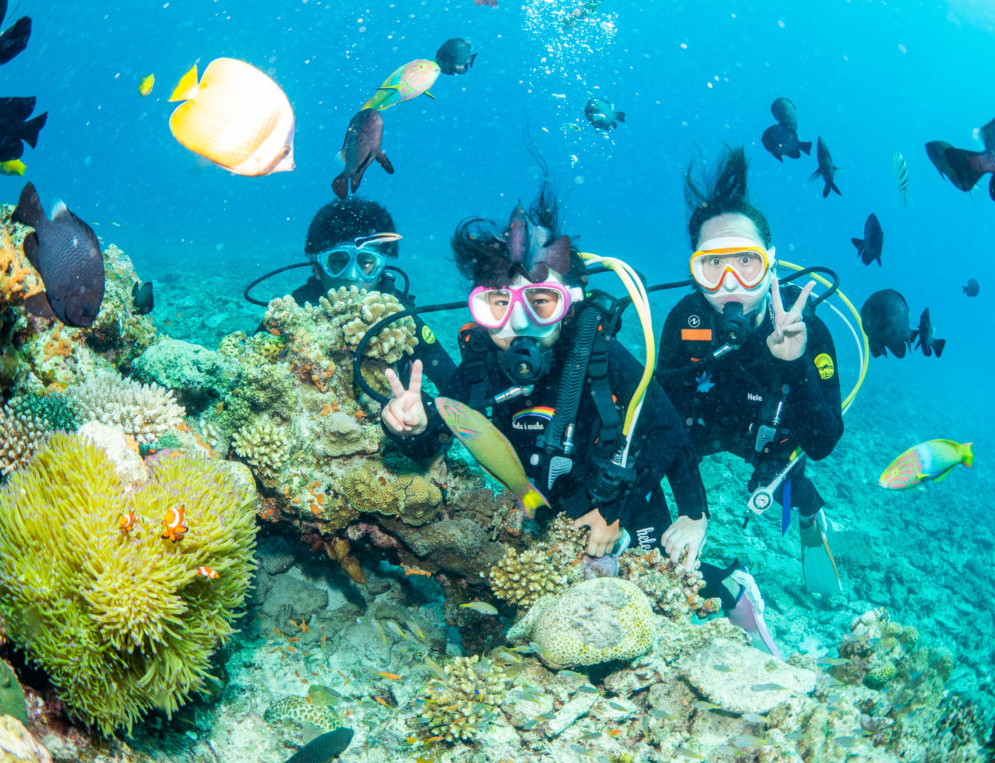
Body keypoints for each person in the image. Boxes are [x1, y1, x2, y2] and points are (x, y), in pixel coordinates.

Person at [379, 185, 782, 654]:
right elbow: (444, 432)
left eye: (541, 302)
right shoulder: (481, 359)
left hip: (615, 490)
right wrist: (412, 428)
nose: (519, 323)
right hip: (541, 500)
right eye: (499, 304)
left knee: (656, 583)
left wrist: (628, 513)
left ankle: (731, 586)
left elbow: (668, 430)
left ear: (568, 303)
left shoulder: (598, 352)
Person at [656, 146, 844, 600]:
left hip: (768, 437)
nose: (730, 283)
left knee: (782, 484)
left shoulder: (805, 328)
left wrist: (794, 362)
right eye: (712, 264)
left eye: (746, 261)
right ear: (696, 271)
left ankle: (809, 516)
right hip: (702, 430)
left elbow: (821, 443)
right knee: (649, 467)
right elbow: (663, 423)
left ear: (770, 262)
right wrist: (694, 511)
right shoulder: (685, 320)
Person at [247, 197, 456, 390]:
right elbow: (248, 362)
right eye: (338, 261)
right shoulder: (294, 308)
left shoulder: (400, 316)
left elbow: (453, 384)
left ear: (381, 269)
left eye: (366, 262)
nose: (352, 275)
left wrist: (425, 413)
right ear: (317, 268)